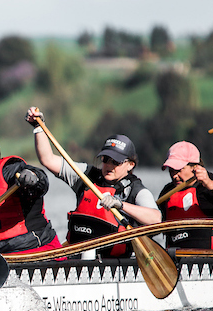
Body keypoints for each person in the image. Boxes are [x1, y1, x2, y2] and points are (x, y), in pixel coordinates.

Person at [25, 107, 161, 257]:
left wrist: (120, 205)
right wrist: (39, 128)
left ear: (130, 165)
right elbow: (48, 159)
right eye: (105, 160)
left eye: (115, 162)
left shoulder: (136, 190)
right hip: (79, 255)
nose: (109, 166)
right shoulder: (86, 175)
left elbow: (155, 219)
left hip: (115, 262)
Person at [158, 141, 213, 249]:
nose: (174, 175)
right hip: (181, 257)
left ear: (194, 167)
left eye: (179, 170)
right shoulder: (167, 192)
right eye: (171, 170)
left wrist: (211, 184)